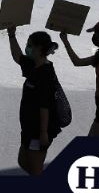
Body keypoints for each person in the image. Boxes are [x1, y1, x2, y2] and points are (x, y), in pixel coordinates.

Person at [8, 29, 61, 176]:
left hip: (39, 131)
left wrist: (43, 133)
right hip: (29, 129)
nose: (27, 48)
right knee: (23, 161)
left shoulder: (45, 72)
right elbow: (17, 56)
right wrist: (11, 35)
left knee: (35, 169)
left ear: (38, 48)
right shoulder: (33, 65)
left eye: (30, 45)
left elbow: (45, 106)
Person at [60, 21, 99, 136]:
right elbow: (77, 62)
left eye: (96, 34)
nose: (94, 37)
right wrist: (65, 41)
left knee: (92, 143)